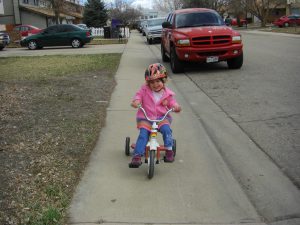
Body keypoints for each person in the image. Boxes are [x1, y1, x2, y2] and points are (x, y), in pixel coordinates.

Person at [129, 63, 181, 167]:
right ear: (148, 83)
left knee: (167, 130)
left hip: (162, 118)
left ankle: (169, 151)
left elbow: (172, 102)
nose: (155, 84)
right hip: (146, 118)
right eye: (152, 82)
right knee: (143, 135)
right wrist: (136, 102)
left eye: (158, 81)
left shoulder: (167, 94)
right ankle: (137, 156)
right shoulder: (144, 90)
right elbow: (138, 96)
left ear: (164, 81)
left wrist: (176, 107)